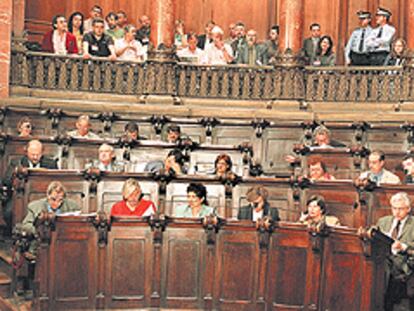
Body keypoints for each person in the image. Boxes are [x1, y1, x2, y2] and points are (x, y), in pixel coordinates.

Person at [376, 192, 414, 310]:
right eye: (394, 208)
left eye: (401, 209)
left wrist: (403, 247)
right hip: (383, 262)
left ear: (408, 209)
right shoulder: (383, 221)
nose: (397, 212)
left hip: (404, 264)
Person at [21, 181, 80, 255]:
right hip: (41, 244)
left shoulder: (72, 206)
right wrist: (39, 231)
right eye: (53, 199)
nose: (57, 204)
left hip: (64, 242)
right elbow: (26, 225)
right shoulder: (35, 206)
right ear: (48, 196)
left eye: (60, 200)